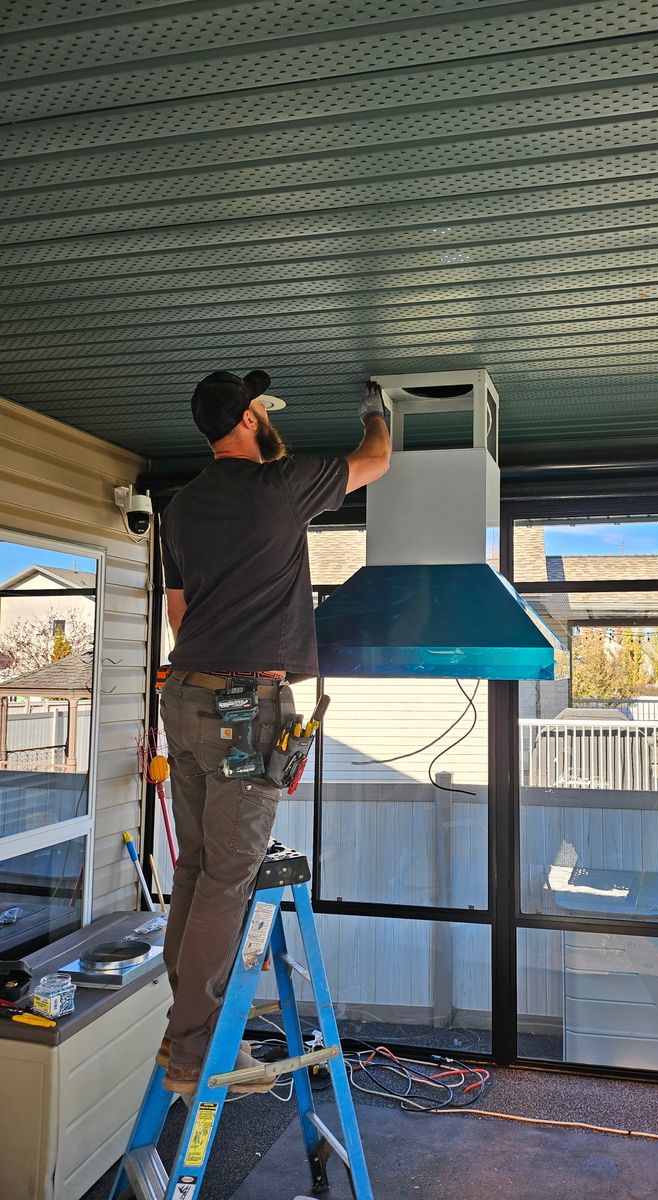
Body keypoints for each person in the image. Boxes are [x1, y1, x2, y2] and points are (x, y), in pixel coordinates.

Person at [157, 369, 390, 1094]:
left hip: (186, 697)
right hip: (241, 707)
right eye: (259, 406)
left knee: (197, 872)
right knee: (227, 880)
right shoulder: (280, 486)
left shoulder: (181, 506)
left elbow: (178, 615)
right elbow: (376, 458)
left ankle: (190, 1029)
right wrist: (377, 411)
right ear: (253, 418)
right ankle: (198, 1050)